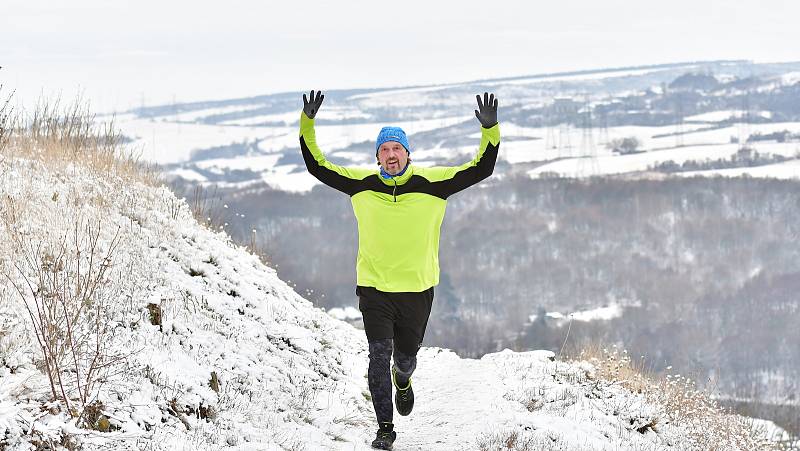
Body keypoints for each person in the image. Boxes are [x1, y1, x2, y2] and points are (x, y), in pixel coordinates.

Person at [299, 90, 500, 449]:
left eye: (397, 149)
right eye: (384, 150)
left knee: (404, 359)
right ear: (377, 157)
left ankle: (403, 379)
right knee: (378, 356)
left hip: (417, 290)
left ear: (408, 153)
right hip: (374, 289)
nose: (391, 155)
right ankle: (385, 430)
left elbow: (481, 168)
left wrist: (490, 131)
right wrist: (308, 123)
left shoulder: (433, 184)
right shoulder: (363, 185)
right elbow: (318, 167)